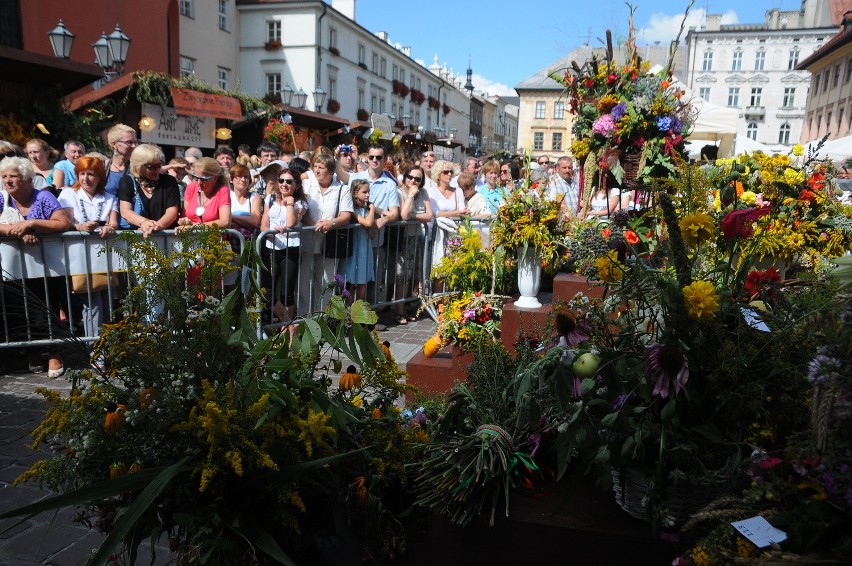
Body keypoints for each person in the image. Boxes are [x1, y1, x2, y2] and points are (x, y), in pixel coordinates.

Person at [0, 156, 71, 377]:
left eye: (14, 176)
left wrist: (31, 223)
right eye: (4, 176)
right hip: (13, 267)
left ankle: (53, 354)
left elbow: (62, 223)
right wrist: (18, 232)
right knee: (22, 311)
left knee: (46, 308)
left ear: (28, 180)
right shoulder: (2, 198)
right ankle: (33, 352)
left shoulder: (43, 196)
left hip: (47, 267)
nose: (8, 181)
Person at [57, 156, 119, 339]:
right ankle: (96, 353)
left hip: (105, 256)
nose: (85, 178)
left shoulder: (109, 198)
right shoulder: (68, 194)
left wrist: (109, 227)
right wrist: (79, 227)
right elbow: (67, 221)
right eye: (82, 174)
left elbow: (114, 222)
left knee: (107, 304)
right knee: (92, 305)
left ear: (99, 177)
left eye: (90, 174)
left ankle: (108, 348)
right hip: (80, 256)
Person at [300, 154, 353, 315]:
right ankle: (303, 317)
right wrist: (312, 224)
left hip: (329, 241)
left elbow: (346, 214)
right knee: (304, 281)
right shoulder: (306, 185)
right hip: (307, 238)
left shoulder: (341, 189)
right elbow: (302, 208)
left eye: (321, 167)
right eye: (315, 166)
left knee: (325, 281)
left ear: (330, 171)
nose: (317, 170)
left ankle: (321, 318)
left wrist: (331, 223)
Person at [347, 144, 400, 302]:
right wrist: (374, 213)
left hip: (375, 239)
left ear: (385, 160)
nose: (375, 160)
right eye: (372, 157)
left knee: (371, 279)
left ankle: (368, 318)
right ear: (367, 159)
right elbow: (349, 204)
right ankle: (349, 318)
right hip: (355, 238)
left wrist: (383, 219)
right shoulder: (355, 178)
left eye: (379, 157)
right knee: (351, 279)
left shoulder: (390, 183)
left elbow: (394, 212)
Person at [260, 165, 306, 334]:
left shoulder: (300, 202)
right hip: (271, 248)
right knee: (268, 293)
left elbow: (291, 223)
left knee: (287, 292)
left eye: (289, 181)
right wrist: (270, 233)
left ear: (296, 185)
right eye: (281, 180)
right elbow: (264, 224)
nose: (284, 185)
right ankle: (290, 326)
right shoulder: (270, 199)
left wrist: (290, 203)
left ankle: (286, 336)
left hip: (290, 249)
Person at [393, 165, 433, 324]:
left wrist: (413, 216)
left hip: (417, 237)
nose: (413, 181)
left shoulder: (423, 192)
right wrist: (410, 196)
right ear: (405, 176)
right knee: (402, 275)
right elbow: (403, 215)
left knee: (414, 275)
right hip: (403, 238)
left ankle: (409, 307)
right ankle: (399, 311)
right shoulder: (399, 191)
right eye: (410, 177)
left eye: (418, 179)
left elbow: (429, 215)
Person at [118, 144, 180, 236]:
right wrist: (144, 222)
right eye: (151, 167)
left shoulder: (169, 181)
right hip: (136, 238)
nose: (157, 170)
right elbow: (125, 211)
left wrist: (156, 226)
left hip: (165, 237)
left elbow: (172, 212)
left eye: (159, 165)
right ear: (139, 166)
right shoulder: (127, 181)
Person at [427, 159, 467, 271]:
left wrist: (461, 213)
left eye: (451, 172)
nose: (449, 174)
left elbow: (462, 209)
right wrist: (455, 213)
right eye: (445, 172)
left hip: (454, 233)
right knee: (439, 267)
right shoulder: (432, 191)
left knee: (454, 266)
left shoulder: (458, 191)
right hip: (438, 234)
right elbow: (436, 213)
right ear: (438, 175)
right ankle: (437, 289)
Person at [340, 179, 376, 301]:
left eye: (369, 192)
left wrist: (369, 211)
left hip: (365, 249)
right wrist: (372, 209)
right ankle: (349, 313)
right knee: (351, 281)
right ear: (355, 193)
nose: (367, 195)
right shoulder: (353, 210)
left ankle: (359, 312)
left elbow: (372, 234)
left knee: (363, 281)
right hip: (353, 249)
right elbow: (367, 222)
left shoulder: (366, 210)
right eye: (364, 192)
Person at [177, 157, 231, 231]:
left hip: (213, 240)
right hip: (191, 239)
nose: (199, 182)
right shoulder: (191, 187)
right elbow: (184, 216)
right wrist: (184, 221)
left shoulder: (223, 190)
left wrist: (195, 227)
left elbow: (225, 222)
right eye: (196, 177)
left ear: (215, 178)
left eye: (203, 179)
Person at [104, 124, 139, 198]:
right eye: (129, 142)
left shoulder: (137, 169)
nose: (134, 146)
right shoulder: (102, 167)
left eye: (135, 142)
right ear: (114, 144)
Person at [229, 163, 260, 241]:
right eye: (238, 176)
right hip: (229, 241)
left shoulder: (254, 196)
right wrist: (246, 221)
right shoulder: (227, 195)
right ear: (231, 180)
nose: (243, 180)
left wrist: (230, 216)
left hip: (248, 242)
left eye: (246, 177)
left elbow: (255, 221)